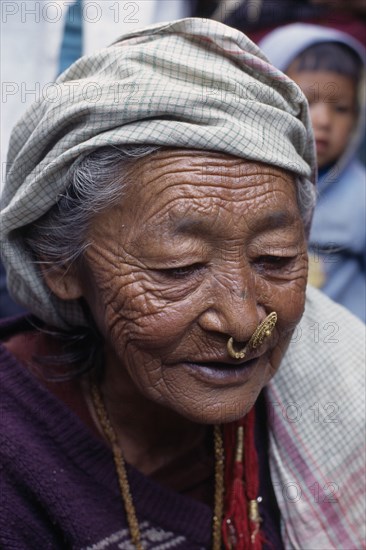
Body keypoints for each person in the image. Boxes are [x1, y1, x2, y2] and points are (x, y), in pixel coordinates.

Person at [0, 18, 364, 550]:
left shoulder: (342, 380)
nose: (243, 322)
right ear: (61, 263)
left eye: (276, 258)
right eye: (179, 267)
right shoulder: (17, 455)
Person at [260, 24, 366, 322]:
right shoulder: (247, 184)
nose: (323, 120)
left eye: (341, 109)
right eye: (307, 101)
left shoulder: (360, 196)